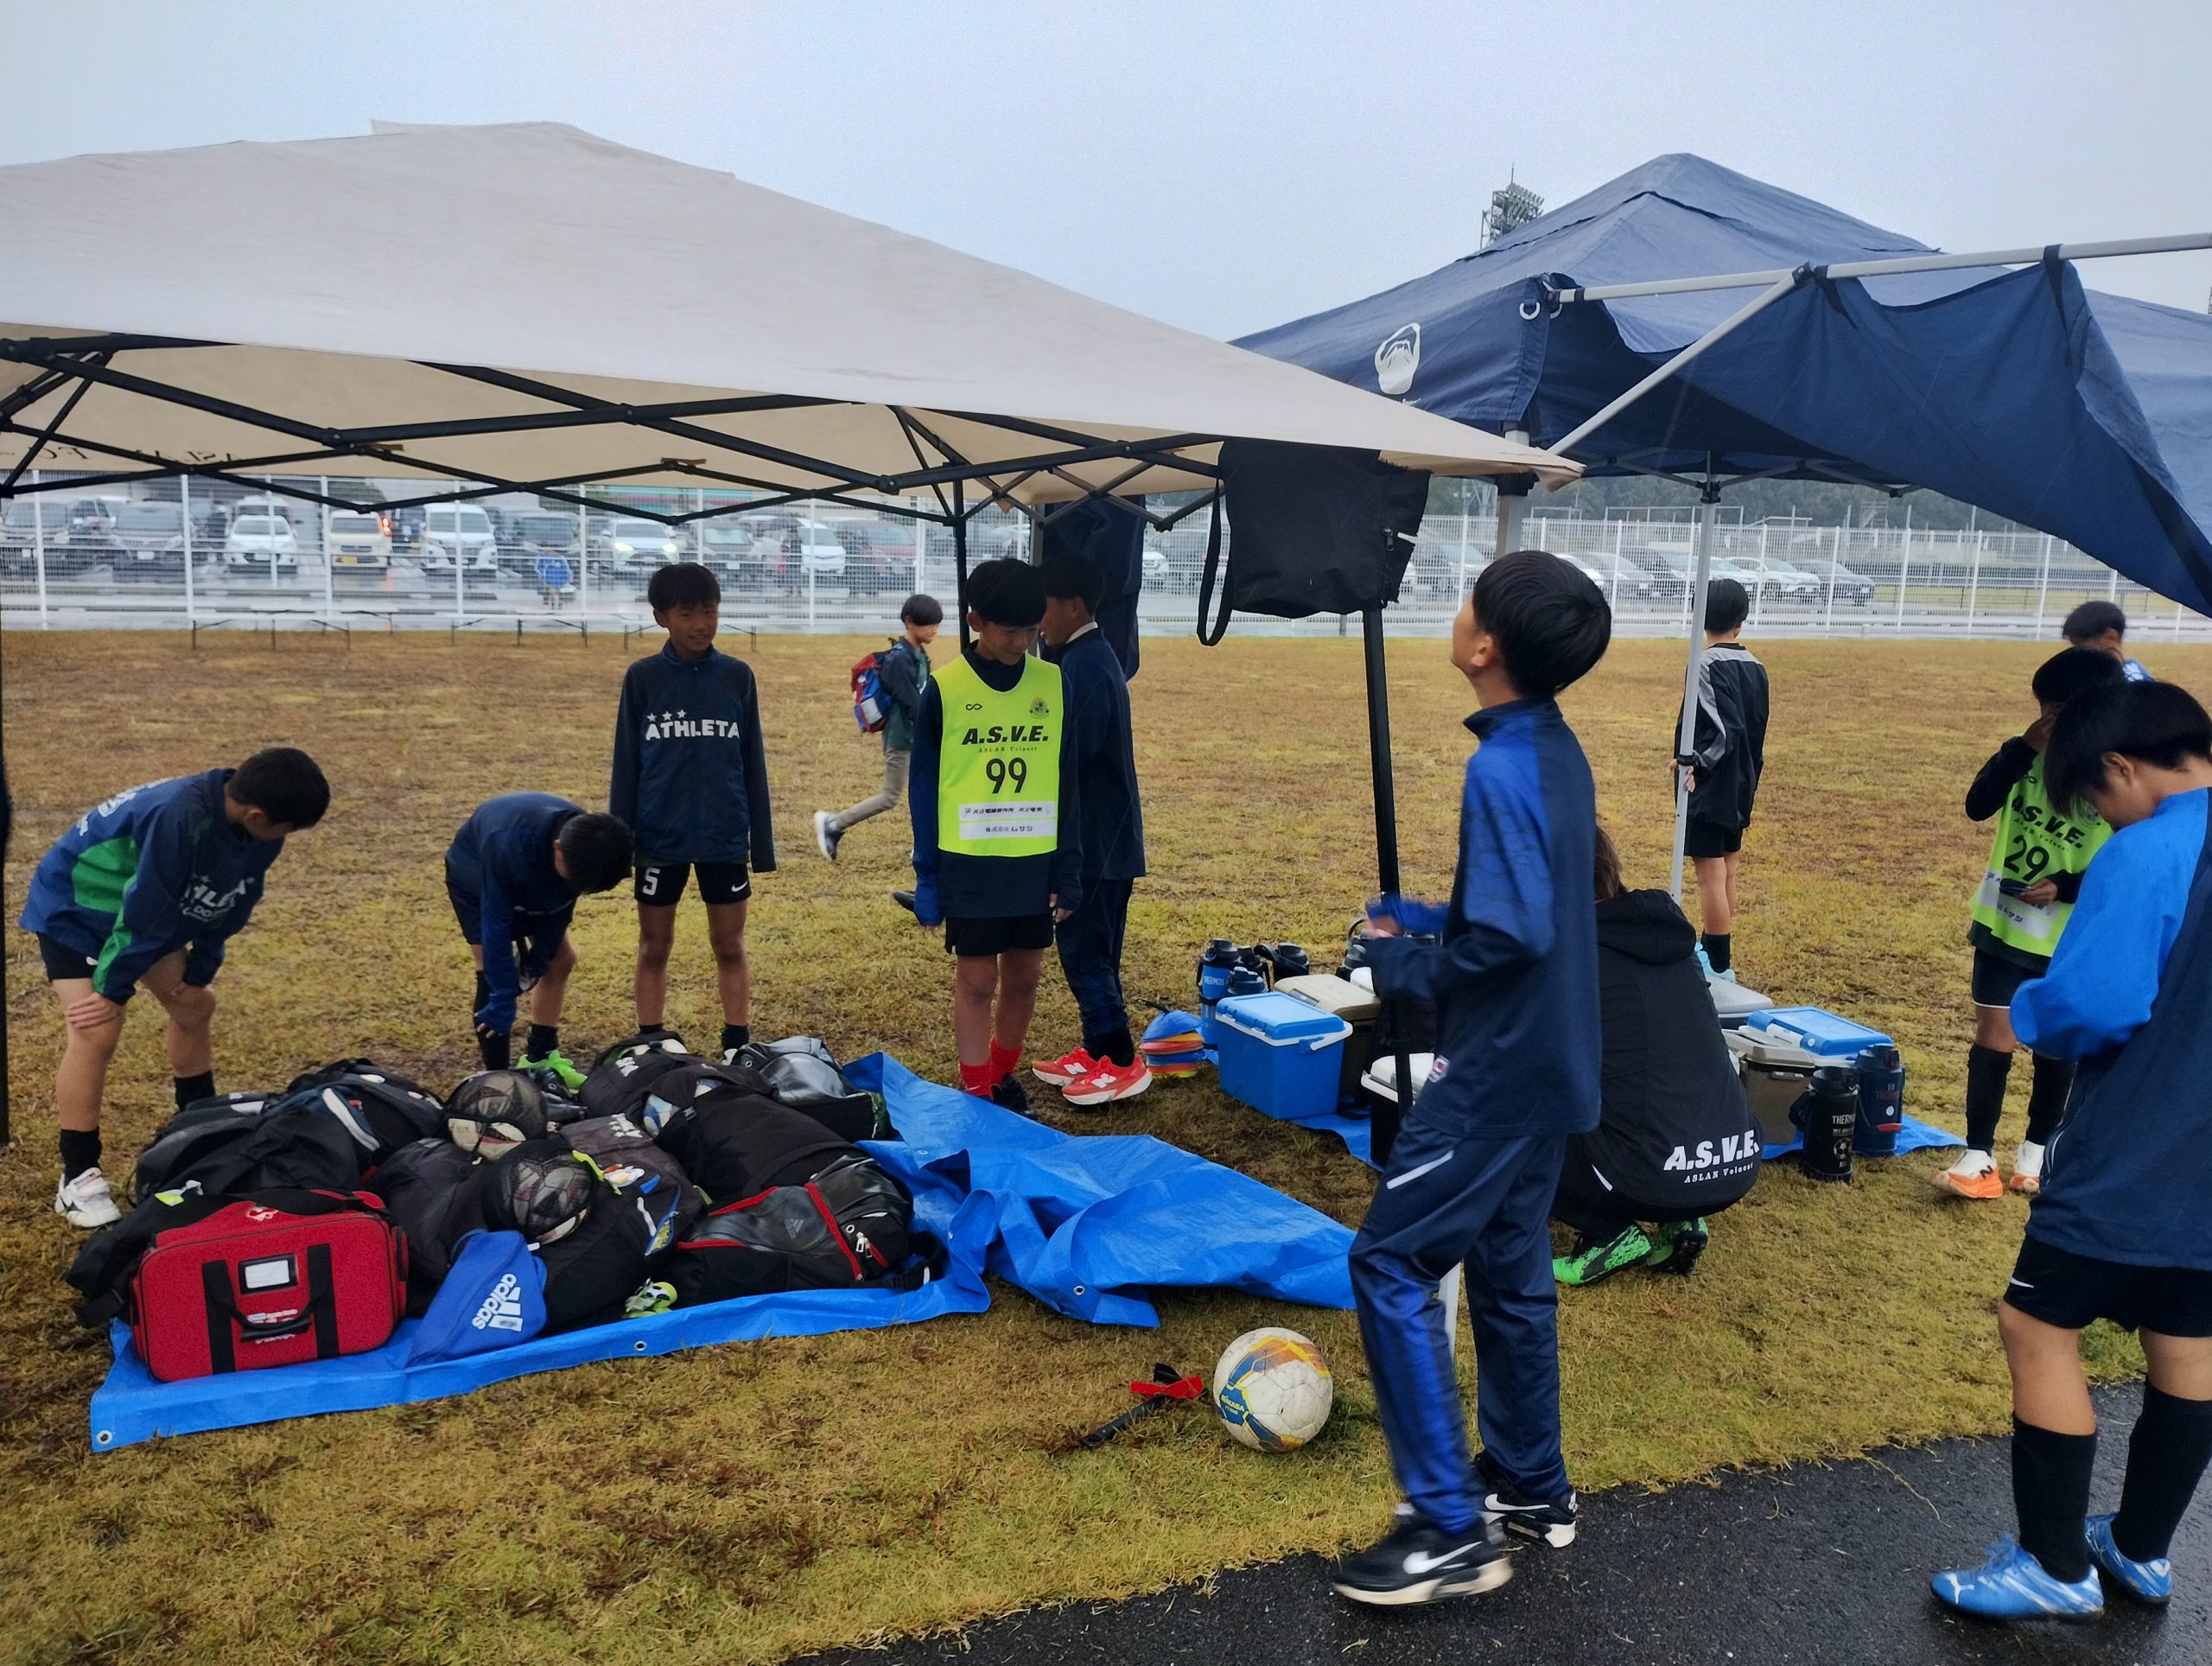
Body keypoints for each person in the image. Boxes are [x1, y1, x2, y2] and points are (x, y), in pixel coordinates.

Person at [1332, 550, 1610, 1607]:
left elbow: (1515, 933)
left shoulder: (1498, 767)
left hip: (1494, 1071)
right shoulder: (1550, 746)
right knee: (1506, 1267)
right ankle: (1531, 1483)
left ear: (1486, 645)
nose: (1453, 613)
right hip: (1553, 1062)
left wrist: (1398, 965)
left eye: (1465, 602)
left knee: (1388, 1260)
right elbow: (1530, 903)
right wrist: (1421, 916)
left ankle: (1447, 1527)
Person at [1932, 679, 2212, 1620]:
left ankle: (2053, 1566)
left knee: (2036, 1326)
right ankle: (2140, 1550)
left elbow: (2095, 1005)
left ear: (2122, 768)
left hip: (2136, 1144)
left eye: (2093, 796)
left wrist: (2030, 1009)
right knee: (2188, 1336)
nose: (2099, 816)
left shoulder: (2148, 850)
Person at [22, 747, 330, 1227]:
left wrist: (202, 964)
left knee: (194, 1005)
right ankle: (78, 1174)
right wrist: (112, 989)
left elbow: (234, 895)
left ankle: (199, 1127)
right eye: (287, 829)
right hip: (79, 907)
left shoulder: (254, 827)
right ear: (257, 815)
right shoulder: (179, 816)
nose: (286, 839)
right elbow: (146, 908)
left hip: (143, 914)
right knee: (97, 1030)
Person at [1936, 646, 2127, 1200]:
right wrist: (2023, 747)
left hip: (2069, 935)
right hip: (2004, 924)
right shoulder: (2023, 756)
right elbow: (1977, 805)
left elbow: (2128, 858)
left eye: (2056, 712)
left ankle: (2037, 1152)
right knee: (1994, 1037)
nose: (2046, 720)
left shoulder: (2115, 777)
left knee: (2056, 1044)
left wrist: (2066, 886)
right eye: (2042, 710)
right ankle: (1978, 1156)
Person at [907, 558, 1082, 1112]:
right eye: (1010, 631)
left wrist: (1068, 868)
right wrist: (927, 876)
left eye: (1031, 630)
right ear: (976, 622)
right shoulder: (944, 689)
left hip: (1033, 858)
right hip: (971, 862)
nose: (1022, 642)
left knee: (1025, 978)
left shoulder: (1054, 684)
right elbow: (923, 789)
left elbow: (1068, 781)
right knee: (978, 982)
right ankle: (977, 1089)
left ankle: (1003, 1077)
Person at [1552, 826, 1760, 1286]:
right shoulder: (1671, 942)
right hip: (1733, 1163)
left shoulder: (1574, 958)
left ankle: (1608, 1232)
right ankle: (1681, 1221)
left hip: (1650, 1175)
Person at [609, 563, 774, 1059]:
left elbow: (753, 763)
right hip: (658, 838)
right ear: (661, 617)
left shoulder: (736, 677)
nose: (701, 624)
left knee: (730, 945)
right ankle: (650, 1040)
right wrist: (620, 845)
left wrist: (761, 845)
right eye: (687, 614)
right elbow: (627, 764)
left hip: (724, 836)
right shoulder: (643, 679)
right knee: (654, 945)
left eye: (709, 612)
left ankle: (737, 1044)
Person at [1031, 553, 1149, 1108]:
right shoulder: (1087, 658)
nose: (1038, 621)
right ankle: (1097, 1051)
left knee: (1085, 953)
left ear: (1074, 606)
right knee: (1094, 948)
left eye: (1044, 608)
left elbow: (1071, 758)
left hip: (1098, 843)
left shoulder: (1087, 665)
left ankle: (1121, 1060)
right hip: (1105, 841)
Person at [448, 792, 632, 1084]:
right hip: (475, 872)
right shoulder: (505, 846)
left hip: (537, 868)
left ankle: (540, 1056)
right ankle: (499, 1079)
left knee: (562, 958)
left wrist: (539, 959)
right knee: (491, 971)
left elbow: (560, 909)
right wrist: (502, 997)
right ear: (557, 848)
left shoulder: (589, 843)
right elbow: (496, 925)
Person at [1675, 576, 1768, 982]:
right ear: (1741, 621)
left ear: (1699, 618)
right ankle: (1716, 946)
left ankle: (1717, 962)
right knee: (1727, 869)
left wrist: (1694, 762)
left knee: (1709, 873)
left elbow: (1724, 731)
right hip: (1744, 782)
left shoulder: (1704, 665)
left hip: (1712, 786)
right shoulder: (1757, 667)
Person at [814, 593, 940, 860]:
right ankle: (833, 824)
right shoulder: (899, 659)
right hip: (902, 738)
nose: (934, 630)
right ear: (909, 623)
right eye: (929, 624)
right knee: (891, 796)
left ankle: (925, 845)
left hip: (916, 737)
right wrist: (935, 730)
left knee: (931, 791)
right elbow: (912, 704)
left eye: (937, 624)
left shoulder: (918, 654)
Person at [2063, 600, 2152, 684]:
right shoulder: (2100, 673)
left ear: (2111, 637)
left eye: (2083, 648)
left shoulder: (2129, 681)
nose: (2078, 655)